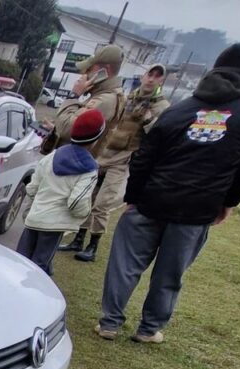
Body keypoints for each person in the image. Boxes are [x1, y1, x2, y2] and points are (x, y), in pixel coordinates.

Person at [96, 43, 240, 343]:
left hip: (152, 199)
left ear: (215, 67)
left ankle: (109, 322)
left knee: (125, 263)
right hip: (199, 207)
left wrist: (133, 198)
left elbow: (144, 156)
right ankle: (149, 329)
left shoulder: (181, 109)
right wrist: (228, 202)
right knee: (171, 272)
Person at [62, 64, 169, 262]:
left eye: (157, 76)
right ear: (144, 76)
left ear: (162, 81)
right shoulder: (128, 98)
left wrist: (148, 121)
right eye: (149, 74)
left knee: (102, 203)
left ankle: (93, 245)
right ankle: (78, 238)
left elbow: (158, 136)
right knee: (88, 197)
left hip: (123, 158)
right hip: (103, 153)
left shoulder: (160, 106)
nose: (151, 79)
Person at [16, 109, 105, 275]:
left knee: (21, 260)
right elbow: (77, 202)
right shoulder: (89, 169)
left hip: (35, 218)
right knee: (39, 267)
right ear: (96, 138)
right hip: (54, 225)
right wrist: (82, 215)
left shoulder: (52, 156)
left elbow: (32, 188)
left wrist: (33, 208)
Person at [46, 44, 126, 150]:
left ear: (105, 70)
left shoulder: (104, 100)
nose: (84, 74)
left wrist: (73, 96)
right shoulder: (104, 95)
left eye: (89, 69)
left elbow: (67, 129)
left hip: (73, 164)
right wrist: (55, 128)